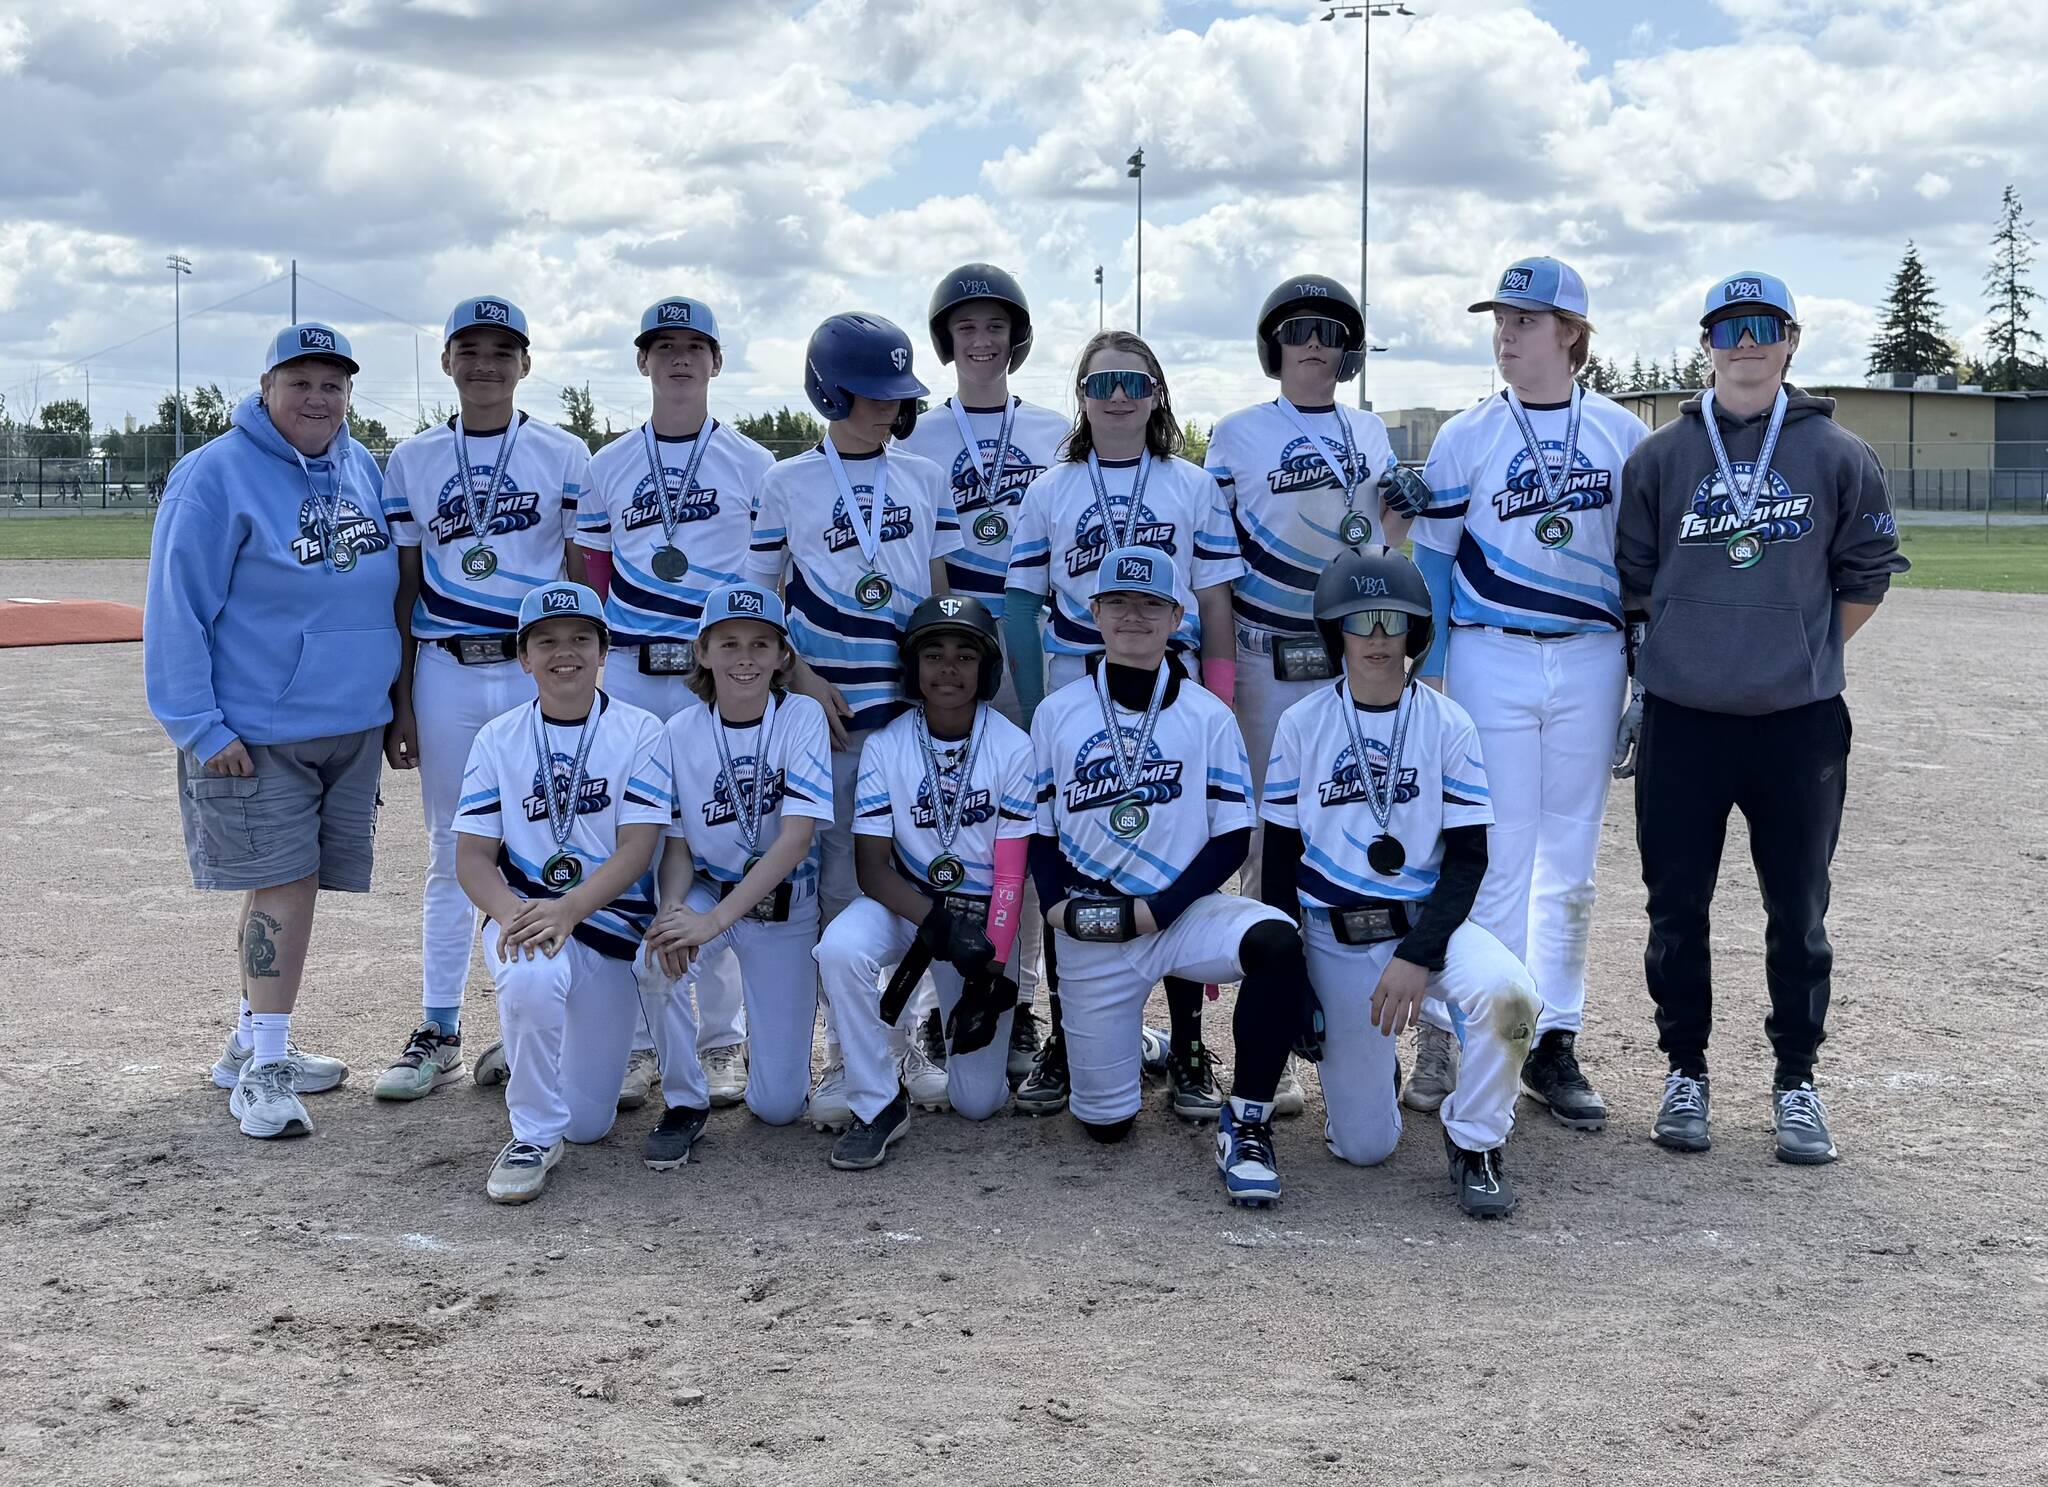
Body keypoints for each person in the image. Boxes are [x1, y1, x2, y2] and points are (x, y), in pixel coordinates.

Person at [1615, 270, 1906, 1165]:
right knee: (1676, 907)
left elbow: (1865, 576)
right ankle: (1685, 1070)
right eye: (1728, 328)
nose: (1746, 343)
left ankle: (1796, 1080)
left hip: (1797, 723)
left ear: (1791, 339)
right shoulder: (1661, 456)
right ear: (1706, 343)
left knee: (1799, 909)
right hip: (1685, 721)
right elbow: (1635, 583)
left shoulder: (1839, 453)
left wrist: (1798, 649)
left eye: (1763, 326)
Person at [1406, 256, 1646, 1132]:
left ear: (1571, 334)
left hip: (1591, 654)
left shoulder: (1623, 433)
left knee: (1570, 862)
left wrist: (1643, 674)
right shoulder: (1467, 434)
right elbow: (1432, 565)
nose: (1505, 336)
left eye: (1525, 321)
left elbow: (1642, 564)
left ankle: (1553, 1036)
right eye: (1501, 321)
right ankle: (1460, 1027)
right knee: (1494, 853)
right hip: (1489, 652)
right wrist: (1430, 678)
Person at [143, 322, 398, 1138]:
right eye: (300, 382)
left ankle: (251, 1040)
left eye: (333, 383)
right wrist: (198, 725)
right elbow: (176, 609)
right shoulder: (213, 473)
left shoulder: (361, 466)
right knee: (282, 883)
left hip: (349, 723)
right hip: (255, 732)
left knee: (294, 884)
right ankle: (267, 1069)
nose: (318, 398)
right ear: (265, 388)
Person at [1247, 547, 1540, 1217]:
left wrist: (1417, 954)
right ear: (1336, 632)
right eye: (1361, 620)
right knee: (1365, 1147)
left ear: (1416, 632)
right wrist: (1292, 975)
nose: (1378, 636)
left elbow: (1468, 859)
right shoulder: (1302, 724)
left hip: (1426, 926)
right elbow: (1279, 860)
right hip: (1337, 935)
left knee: (1513, 1000)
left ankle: (1475, 1141)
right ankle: (1372, 1075)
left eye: (1394, 620)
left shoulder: (1449, 722)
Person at [1205, 272, 1434, 1117]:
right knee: (1272, 841)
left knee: (1361, 822)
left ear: (1349, 350)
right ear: (1273, 345)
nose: (1313, 343)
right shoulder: (1237, 433)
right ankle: (1280, 1029)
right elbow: (1213, 556)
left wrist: (1402, 518)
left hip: (1349, 653)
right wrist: (1217, 675)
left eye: (1330, 331)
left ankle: (1359, 1024)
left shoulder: (1367, 430)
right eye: (1297, 329)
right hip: (1266, 656)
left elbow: (1378, 542)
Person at [1006, 331, 1247, 1123]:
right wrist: (1037, 708)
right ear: (1079, 394)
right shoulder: (1051, 487)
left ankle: (1189, 1044)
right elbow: (1020, 602)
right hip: (1075, 682)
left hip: (1170, 684)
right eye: (1101, 382)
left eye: (1134, 383)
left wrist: (1217, 702)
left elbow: (1214, 601)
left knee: (1175, 854)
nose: (1117, 396)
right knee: (1079, 857)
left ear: (1158, 395)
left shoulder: (1192, 483)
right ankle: (1068, 1038)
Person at [373, 296, 593, 1103]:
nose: (486, 365)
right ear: (447, 362)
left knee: (544, 840)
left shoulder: (564, 453)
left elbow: (580, 581)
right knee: (450, 848)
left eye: (503, 351)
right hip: (448, 670)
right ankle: (439, 1026)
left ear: (526, 364)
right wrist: (401, 698)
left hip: (535, 669)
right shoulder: (414, 458)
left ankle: (527, 1022)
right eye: (470, 349)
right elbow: (404, 589)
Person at [744, 312, 960, 1127]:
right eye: (874, 394)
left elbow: (937, 594)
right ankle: (848, 1052)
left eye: (899, 394)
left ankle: (913, 1037)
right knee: (842, 886)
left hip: (908, 717)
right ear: (830, 393)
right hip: (829, 720)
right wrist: (796, 671)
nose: (890, 408)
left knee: (919, 872)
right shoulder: (786, 482)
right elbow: (758, 603)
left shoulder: (923, 476)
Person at [1028, 546, 1305, 1166]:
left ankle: (1248, 1117)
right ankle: (1141, 1043)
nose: (1134, 615)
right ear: (1094, 612)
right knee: (1106, 1126)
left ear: (1178, 616)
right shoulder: (1056, 712)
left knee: (1277, 942)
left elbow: (1233, 837)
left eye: (1151, 603)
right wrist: (1052, 906)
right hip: (1093, 922)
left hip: (1180, 915)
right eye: (1118, 602)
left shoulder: (1209, 715)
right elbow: (1040, 831)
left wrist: (1161, 909)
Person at [565, 296, 774, 1112]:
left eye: (694, 346)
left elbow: (769, 581)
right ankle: (640, 1038)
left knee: (716, 841)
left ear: (716, 361)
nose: (679, 359)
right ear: (642, 360)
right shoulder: (609, 464)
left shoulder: (753, 462)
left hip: (712, 678)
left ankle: (720, 1038)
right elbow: (592, 581)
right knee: (631, 848)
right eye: (663, 346)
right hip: (632, 675)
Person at [898, 263, 1068, 1083]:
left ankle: (1021, 997)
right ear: (945, 339)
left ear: (1016, 337)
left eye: (996, 326)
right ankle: (943, 999)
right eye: (965, 327)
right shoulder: (920, 435)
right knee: (947, 824)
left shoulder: (1052, 428)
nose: (981, 340)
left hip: (1031, 642)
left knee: (1021, 833)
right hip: (955, 644)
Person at [453, 581, 670, 1203]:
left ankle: (528, 1047)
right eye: (545, 641)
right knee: (530, 974)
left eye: (580, 638)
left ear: (603, 651)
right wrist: (512, 916)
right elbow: (472, 858)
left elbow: (637, 849)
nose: (564, 652)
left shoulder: (641, 730)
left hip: (608, 923)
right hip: (527, 911)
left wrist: (570, 909)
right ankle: (531, 1135)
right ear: (524, 657)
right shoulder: (498, 736)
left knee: (590, 1124)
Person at [813, 596, 1034, 1167]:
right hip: (907, 904)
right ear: (912, 668)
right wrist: (935, 922)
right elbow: (870, 868)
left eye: (965, 656)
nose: (948, 669)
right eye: (933, 655)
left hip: (983, 922)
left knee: (977, 1103)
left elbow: (1012, 874)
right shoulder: (887, 744)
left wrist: (990, 968)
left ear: (987, 669)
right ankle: (877, 1101)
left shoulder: (1013, 744)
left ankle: (944, 1040)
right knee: (840, 947)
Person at [645, 583, 835, 1157]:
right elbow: (677, 847)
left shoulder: (801, 715)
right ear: (702, 652)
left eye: (760, 644)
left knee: (778, 1108)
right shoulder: (679, 730)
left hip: (785, 904)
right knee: (655, 961)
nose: (745, 658)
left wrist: (711, 923)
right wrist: (674, 912)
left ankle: (768, 1056)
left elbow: (795, 841)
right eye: (728, 644)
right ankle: (684, 1100)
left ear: (782, 656)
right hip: (711, 888)